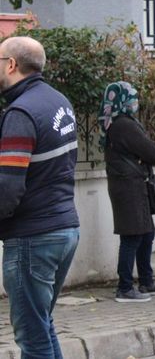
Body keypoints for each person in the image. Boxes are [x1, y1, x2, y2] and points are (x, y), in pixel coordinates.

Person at [0, 36, 81, 357]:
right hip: (64, 229)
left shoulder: (21, 113)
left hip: (32, 238)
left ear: (11, 64)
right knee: (42, 324)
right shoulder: (58, 101)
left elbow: (8, 187)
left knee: (32, 338)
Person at [99, 81, 155, 303]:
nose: (135, 102)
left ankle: (146, 280)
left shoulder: (117, 124)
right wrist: (149, 150)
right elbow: (153, 153)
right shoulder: (123, 125)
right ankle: (125, 287)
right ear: (122, 101)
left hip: (131, 185)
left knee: (146, 233)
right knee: (132, 236)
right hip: (129, 188)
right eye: (132, 98)